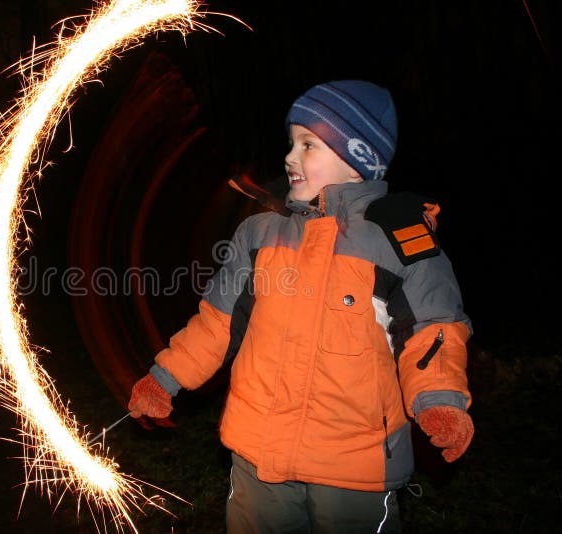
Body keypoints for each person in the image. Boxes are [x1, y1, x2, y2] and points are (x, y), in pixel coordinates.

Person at [128, 80, 474, 533]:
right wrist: (164, 378)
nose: (291, 157)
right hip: (258, 459)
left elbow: (434, 331)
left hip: (355, 468)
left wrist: (439, 401)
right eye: (291, 143)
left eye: (309, 144)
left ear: (358, 161)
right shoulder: (260, 233)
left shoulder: (400, 240)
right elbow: (216, 322)